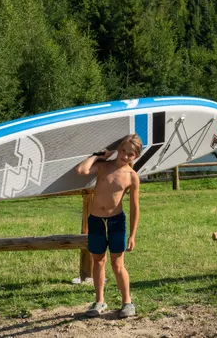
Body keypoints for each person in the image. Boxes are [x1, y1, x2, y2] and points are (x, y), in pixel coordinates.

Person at [74, 133, 142, 318]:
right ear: (118, 150)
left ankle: (127, 302)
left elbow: (135, 208)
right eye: (123, 151)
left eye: (130, 154)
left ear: (136, 156)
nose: (125, 156)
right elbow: (81, 170)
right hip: (96, 221)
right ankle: (99, 301)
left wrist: (132, 235)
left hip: (116, 222)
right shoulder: (104, 167)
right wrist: (98, 156)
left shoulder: (132, 176)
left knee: (117, 263)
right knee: (98, 260)